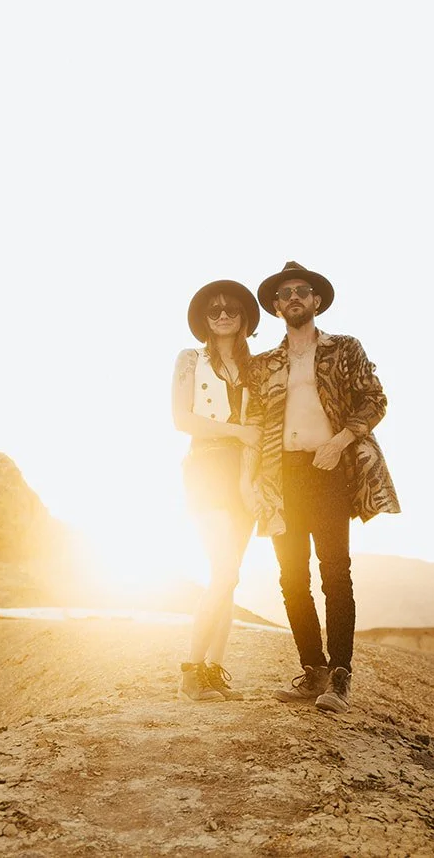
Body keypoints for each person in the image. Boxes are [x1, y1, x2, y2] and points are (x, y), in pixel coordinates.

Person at [241, 261, 399, 712]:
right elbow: (251, 418)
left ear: (315, 301)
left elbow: (376, 400)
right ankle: (313, 672)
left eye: (302, 290)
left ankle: (341, 677)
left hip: (328, 469)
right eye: (285, 292)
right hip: (281, 476)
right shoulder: (265, 363)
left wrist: (340, 441)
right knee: (292, 577)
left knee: (335, 572)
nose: (294, 297)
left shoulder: (344, 349)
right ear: (275, 307)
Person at [171, 279, 263, 702]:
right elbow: (182, 419)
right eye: (214, 309)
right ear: (204, 319)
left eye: (231, 309)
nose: (223, 314)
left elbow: (256, 434)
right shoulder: (190, 360)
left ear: (244, 318)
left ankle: (212, 671)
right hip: (206, 467)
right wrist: (237, 432)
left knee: (229, 579)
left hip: (241, 472)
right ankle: (190, 673)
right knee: (225, 571)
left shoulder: (255, 368)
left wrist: (248, 482)